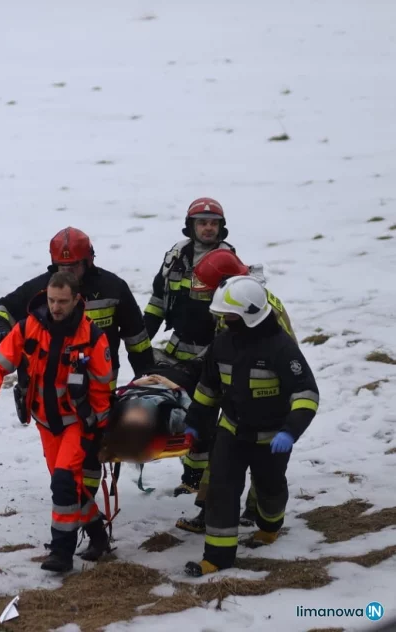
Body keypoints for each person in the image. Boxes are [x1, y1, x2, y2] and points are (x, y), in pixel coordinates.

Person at [0, 271, 114, 572]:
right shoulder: (28, 328)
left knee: (64, 480)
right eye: (51, 300)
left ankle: (61, 553)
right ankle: (99, 537)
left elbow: (103, 388)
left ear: (77, 300)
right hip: (45, 422)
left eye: (62, 301)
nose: (56, 307)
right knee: (69, 485)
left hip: (76, 424)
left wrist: (98, 426)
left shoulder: (92, 338)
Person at [181, 276, 319, 577]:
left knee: (269, 489)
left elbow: (306, 395)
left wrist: (289, 431)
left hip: (271, 439)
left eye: (229, 316)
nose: (224, 321)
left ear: (250, 315)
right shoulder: (222, 344)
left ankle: (270, 526)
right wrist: (193, 423)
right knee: (221, 490)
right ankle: (217, 557)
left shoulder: (281, 349)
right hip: (231, 433)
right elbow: (208, 389)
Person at [175, 248, 299, 532]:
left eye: (208, 291)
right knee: (222, 455)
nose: (205, 297)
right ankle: (209, 513)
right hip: (238, 391)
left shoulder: (257, 308)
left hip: (267, 394)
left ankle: (257, 512)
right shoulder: (235, 301)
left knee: (263, 461)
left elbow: (279, 355)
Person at [0, 227, 152, 424]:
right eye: (61, 266)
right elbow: (3, 309)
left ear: (87, 261)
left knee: (96, 446)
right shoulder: (43, 289)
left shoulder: (113, 288)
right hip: (53, 396)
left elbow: (137, 339)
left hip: (98, 391)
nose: (66, 272)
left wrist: (145, 375)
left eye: (73, 266)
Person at [142, 198, 236, 496]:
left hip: (213, 353)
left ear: (221, 227)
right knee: (181, 415)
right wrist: (140, 340)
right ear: (191, 226)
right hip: (177, 349)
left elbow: (232, 319)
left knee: (204, 416)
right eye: (202, 222)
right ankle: (192, 477)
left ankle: (198, 480)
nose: (208, 228)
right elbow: (158, 301)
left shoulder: (227, 262)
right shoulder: (176, 256)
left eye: (213, 223)